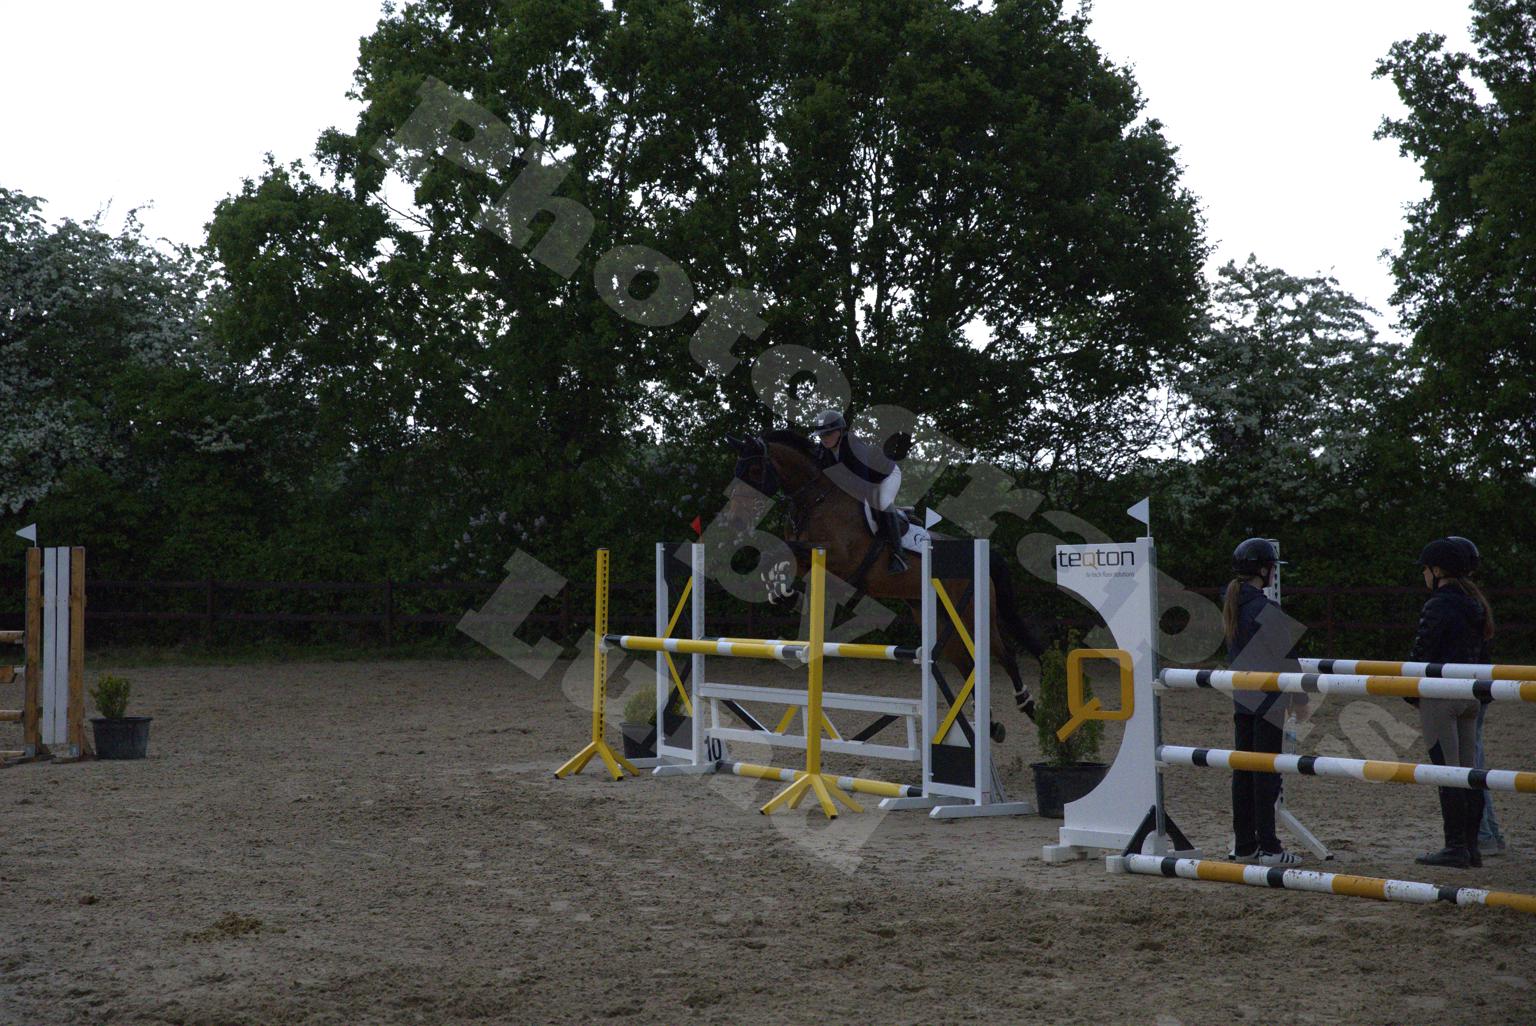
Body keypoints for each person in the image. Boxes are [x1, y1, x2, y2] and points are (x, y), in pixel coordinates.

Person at [1222, 537, 1308, 866]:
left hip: (1243, 699)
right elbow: (1287, 656)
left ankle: (1245, 844)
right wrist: (1300, 697)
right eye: (1271, 568)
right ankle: (1270, 847)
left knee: (1244, 772)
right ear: (1262, 570)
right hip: (1269, 701)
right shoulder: (1266, 608)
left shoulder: (1233, 604)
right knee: (1266, 774)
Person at [1411, 538, 1494, 868]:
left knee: (1447, 773)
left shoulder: (1438, 605)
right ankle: (1471, 847)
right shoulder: (1475, 603)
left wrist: (1411, 694)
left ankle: (1455, 846)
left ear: (1437, 571)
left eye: (1425, 570)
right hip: (1470, 697)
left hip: (1440, 698)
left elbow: (1422, 652)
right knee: (1468, 773)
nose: (1423, 576)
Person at [1447, 536, 1507, 856]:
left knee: (1467, 765)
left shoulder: (1456, 603)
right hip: (1477, 689)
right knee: (1474, 761)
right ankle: (1489, 834)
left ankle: (1484, 835)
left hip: (1464, 691)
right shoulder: (1475, 602)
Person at [808, 409, 908, 572]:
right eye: (821, 435)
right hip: (864, 480)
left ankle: (899, 555)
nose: (824, 438)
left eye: (828, 434)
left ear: (840, 431)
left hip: (886, 476)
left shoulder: (853, 446)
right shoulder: (824, 451)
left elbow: (863, 483)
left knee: (882, 502)